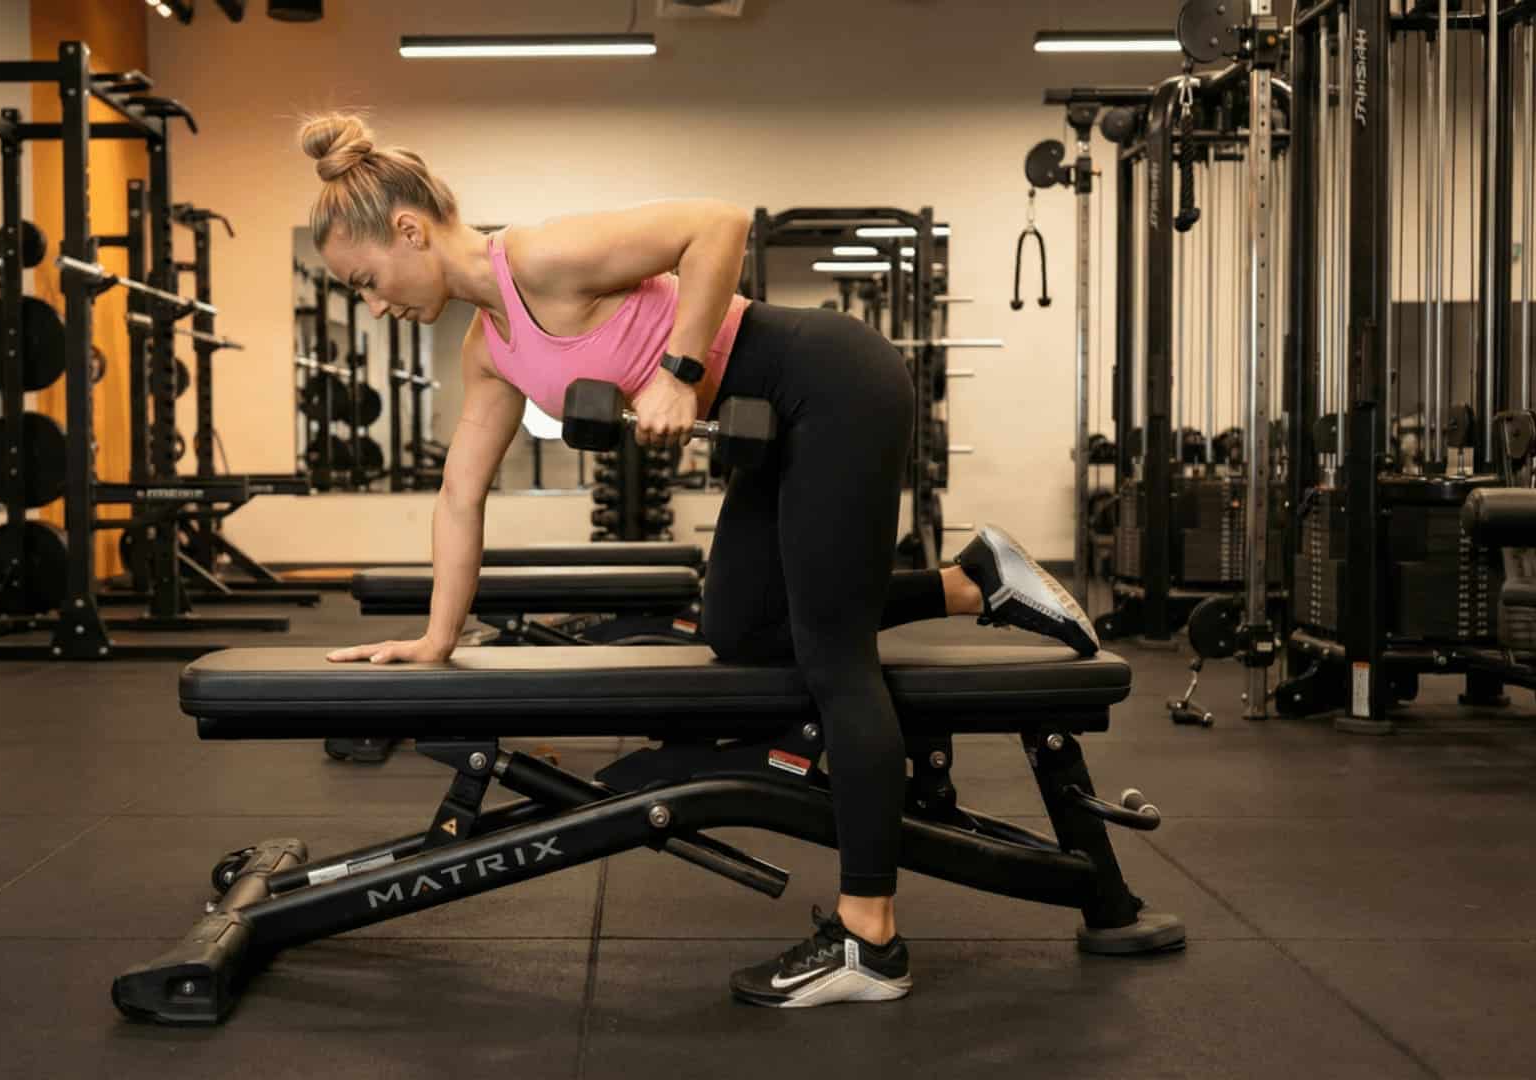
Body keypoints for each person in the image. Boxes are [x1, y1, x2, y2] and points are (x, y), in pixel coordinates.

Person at [308, 114, 1099, 1008]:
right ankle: (972, 583)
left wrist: (679, 371)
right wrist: (435, 638)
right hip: (773, 421)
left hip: (830, 380)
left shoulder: (536, 258)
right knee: (740, 628)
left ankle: (869, 939)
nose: (373, 304)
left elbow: (718, 223)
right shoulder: (488, 348)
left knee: (833, 661)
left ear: (408, 231)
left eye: (366, 281)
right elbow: (460, 495)